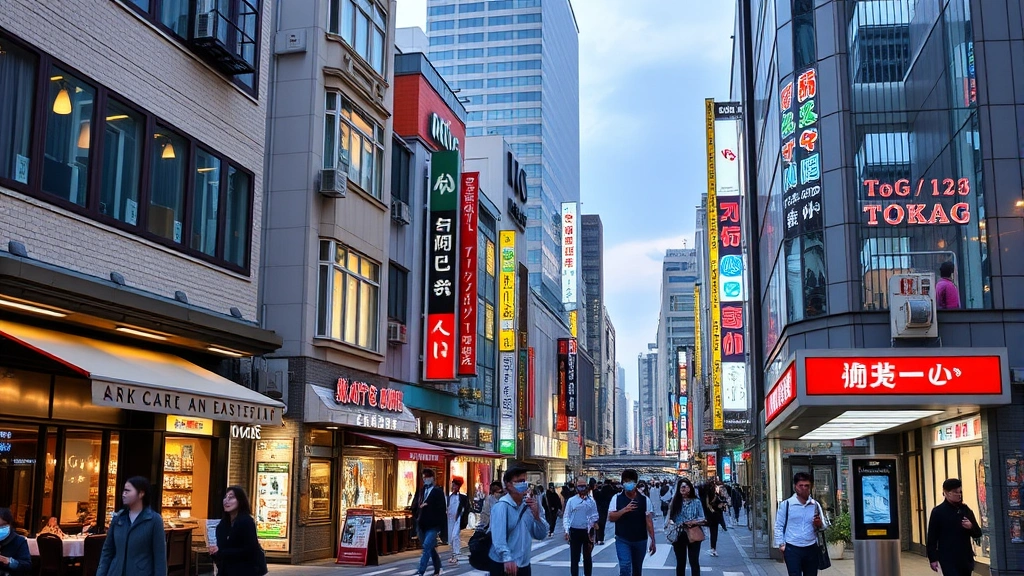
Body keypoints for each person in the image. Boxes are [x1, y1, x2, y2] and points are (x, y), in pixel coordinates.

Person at [97, 476, 167, 576]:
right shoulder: (118, 518)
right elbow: (107, 551)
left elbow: (160, 557)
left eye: (128, 491)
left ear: (141, 493)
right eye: (123, 491)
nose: (123, 494)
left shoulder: (154, 520)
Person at [487, 466, 549, 576]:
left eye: (524, 480)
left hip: (523, 565)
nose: (523, 484)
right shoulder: (501, 507)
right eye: (518, 481)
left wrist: (537, 516)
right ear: (508, 485)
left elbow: (541, 535)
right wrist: (507, 558)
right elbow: (498, 538)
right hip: (504, 565)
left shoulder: (528, 505)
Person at [774, 472, 827, 576]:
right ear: (795, 487)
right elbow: (779, 525)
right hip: (792, 548)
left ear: (811, 487)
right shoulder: (787, 504)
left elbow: (824, 526)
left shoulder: (815, 505)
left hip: (811, 547)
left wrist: (819, 523)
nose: (804, 488)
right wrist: (781, 545)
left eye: (807, 485)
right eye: (801, 485)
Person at [927, 478, 982, 576]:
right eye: (955, 492)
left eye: (960, 491)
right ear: (946, 493)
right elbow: (932, 537)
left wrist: (971, 527)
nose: (959, 495)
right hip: (947, 557)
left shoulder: (965, 510)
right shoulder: (938, 512)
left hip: (965, 556)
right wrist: (933, 558)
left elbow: (978, 533)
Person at [608, 469, 655, 576]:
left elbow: (649, 521)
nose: (628, 484)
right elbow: (611, 517)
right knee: (625, 566)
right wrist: (624, 510)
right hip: (622, 539)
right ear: (622, 483)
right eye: (626, 481)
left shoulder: (644, 500)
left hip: (640, 540)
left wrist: (653, 539)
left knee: (637, 569)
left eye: (631, 481)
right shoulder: (616, 498)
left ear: (636, 483)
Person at [210, 486, 263, 576]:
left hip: (243, 570)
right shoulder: (223, 524)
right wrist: (215, 552)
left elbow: (250, 549)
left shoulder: (246, 521)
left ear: (240, 501)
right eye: (225, 497)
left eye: (231, 497)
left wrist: (223, 552)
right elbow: (221, 548)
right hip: (225, 570)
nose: (226, 500)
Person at [412, 469, 447, 576]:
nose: (425, 479)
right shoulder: (421, 491)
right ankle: (438, 567)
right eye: (423, 477)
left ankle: (421, 571)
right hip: (421, 524)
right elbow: (413, 505)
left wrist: (441, 527)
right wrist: (417, 510)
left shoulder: (438, 492)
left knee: (427, 546)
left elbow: (442, 509)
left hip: (433, 525)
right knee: (430, 548)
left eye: (427, 477)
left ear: (432, 478)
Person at [667, 479, 705, 576]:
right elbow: (670, 518)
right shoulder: (675, 502)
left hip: (693, 532)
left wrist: (694, 521)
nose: (684, 488)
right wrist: (672, 524)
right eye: (682, 487)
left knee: (694, 562)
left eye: (686, 486)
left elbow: (702, 518)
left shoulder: (696, 501)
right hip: (679, 533)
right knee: (680, 563)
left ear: (690, 488)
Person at [563, 476, 599, 576]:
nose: (582, 488)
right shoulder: (571, 501)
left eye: (584, 486)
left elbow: (595, 515)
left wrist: (591, 524)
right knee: (574, 558)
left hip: (587, 532)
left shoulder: (591, 501)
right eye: (580, 486)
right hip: (574, 531)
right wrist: (566, 530)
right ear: (576, 487)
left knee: (587, 557)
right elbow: (566, 516)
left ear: (587, 486)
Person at [0, 507, 31, 574]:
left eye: (2, 525)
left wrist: (8, 561)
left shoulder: (19, 541)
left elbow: (26, 566)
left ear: (9, 524)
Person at [447, 476, 470, 565]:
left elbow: (466, 509)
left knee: (455, 537)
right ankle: (453, 555)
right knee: (451, 538)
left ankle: (456, 555)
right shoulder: (449, 497)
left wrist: (462, 516)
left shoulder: (462, 497)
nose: (453, 487)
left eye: (455, 485)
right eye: (453, 485)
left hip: (457, 519)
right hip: (449, 520)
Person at [592, 479, 614, 545]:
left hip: (597, 509)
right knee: (602, 525)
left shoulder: (598, 492)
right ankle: (600, 539)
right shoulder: (610, 490)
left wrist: (595, 489)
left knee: (597, 524)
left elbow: (595, 497)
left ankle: (596, 539)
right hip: (605, 510)